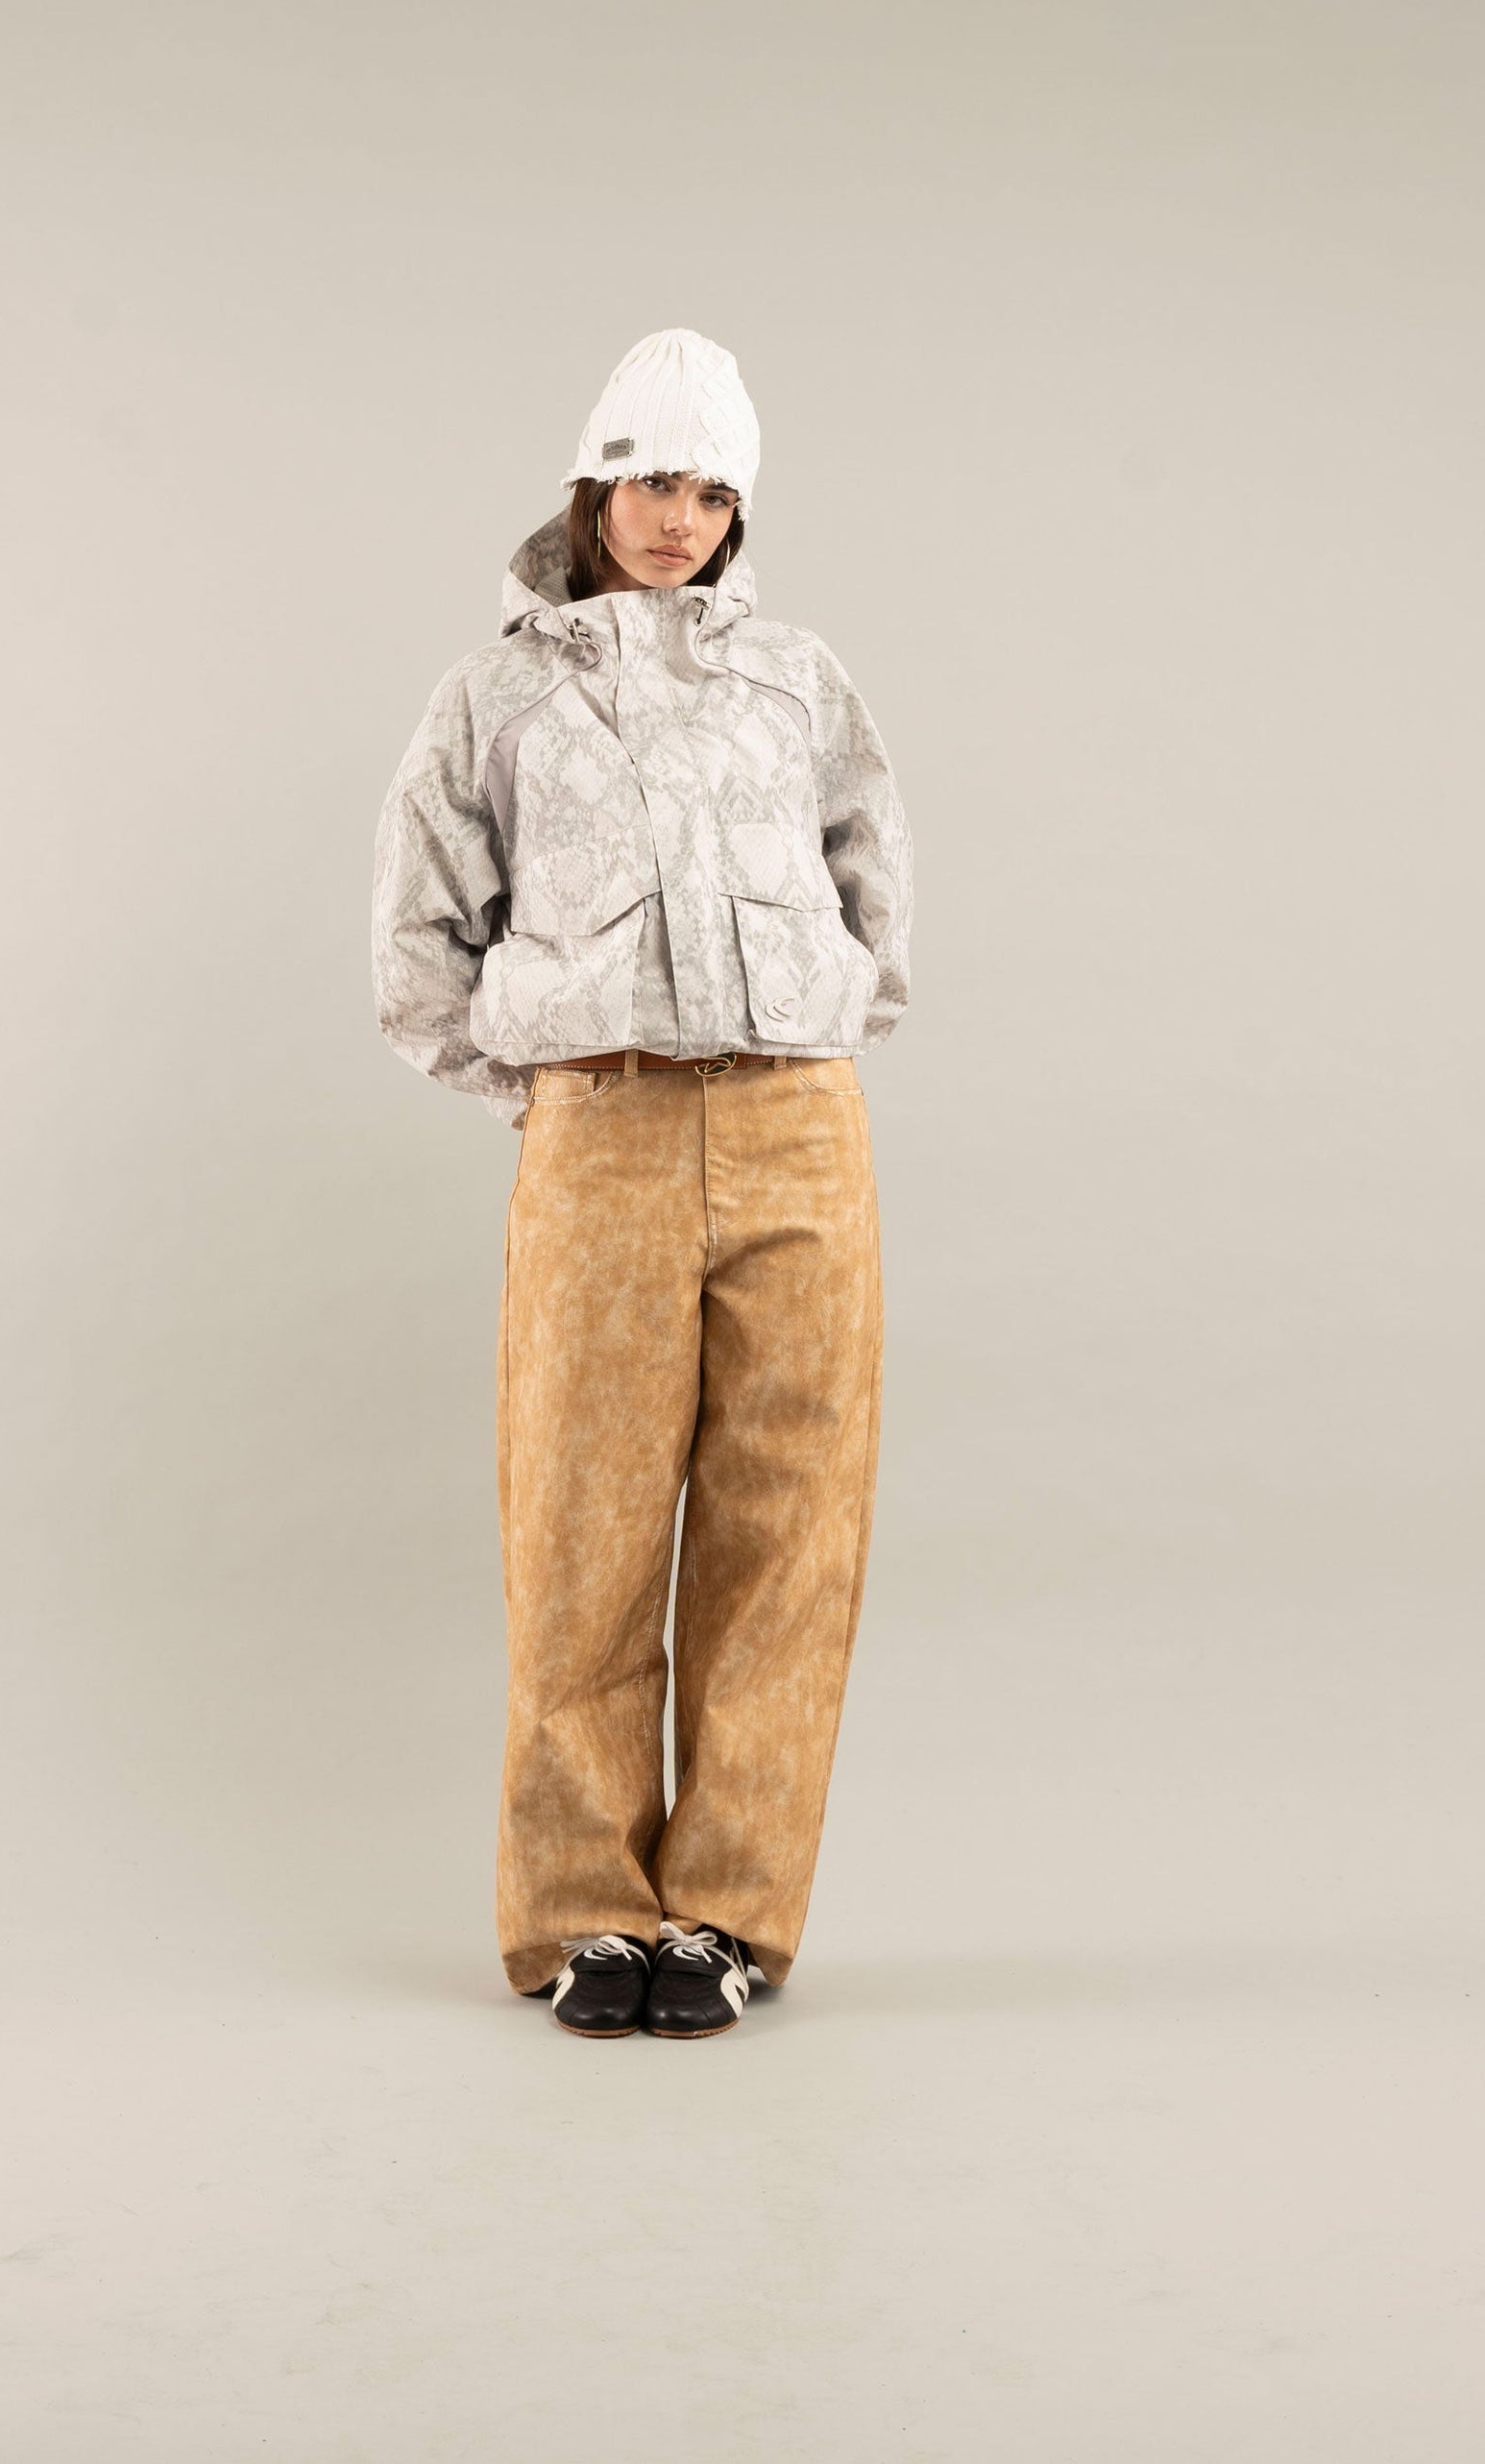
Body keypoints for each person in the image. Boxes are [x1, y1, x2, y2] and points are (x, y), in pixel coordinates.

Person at [372, 327, 913, 2037]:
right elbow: (417, 938)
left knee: (788, 1529)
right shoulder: (495, 696)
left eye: (712, 492)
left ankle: (730, 1916)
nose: (679, 519)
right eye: (652, 482)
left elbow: (872, 884)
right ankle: (583, 1915)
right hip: (599, 1131)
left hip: (798, 1130)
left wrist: (818, 1022)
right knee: (579, 1526)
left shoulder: (798, 680)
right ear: (589, 486)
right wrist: (549, 1091)